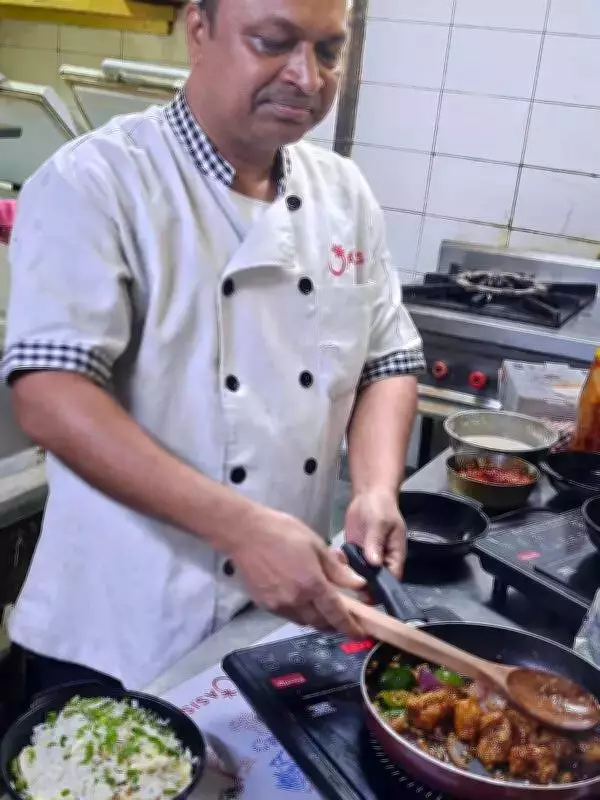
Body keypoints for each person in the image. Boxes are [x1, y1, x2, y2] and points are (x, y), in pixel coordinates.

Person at [3, 0, 425, 695]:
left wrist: (376, 491)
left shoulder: (343, 193)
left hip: (275, 622)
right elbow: (49, 396)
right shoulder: (98, 181)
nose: (306, 77)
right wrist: (242, 530)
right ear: (198, 29)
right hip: (117, 637)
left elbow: (388, 359)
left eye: (327, 50)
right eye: (274, 42)